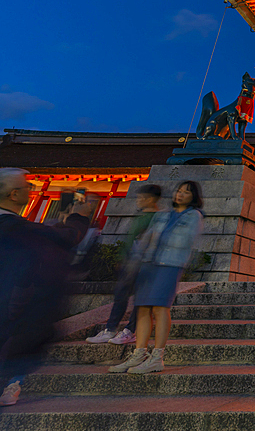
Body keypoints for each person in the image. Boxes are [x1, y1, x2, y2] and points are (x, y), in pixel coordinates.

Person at [0, 168, 81, 406]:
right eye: (28, 187)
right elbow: (64, 238)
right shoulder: (19, 229)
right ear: (14, 194)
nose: (31, 189)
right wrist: (78, 218)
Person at [109, 181, 203, 375]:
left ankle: (157, 356)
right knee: (142, 307)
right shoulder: (162, 215)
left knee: (160, 308)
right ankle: (139, 353)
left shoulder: (194, 216)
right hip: (149, 262)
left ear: (194, 197)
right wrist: (135, 260)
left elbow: (184, 240)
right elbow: (147, 238)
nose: (180, 194)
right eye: (179, 190)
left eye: (186, 192)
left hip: (170, 263)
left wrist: (157, 239)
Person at [87, 184, 162, 345]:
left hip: (144, 263)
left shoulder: (157, 218)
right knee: (121, 296)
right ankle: (110, 329)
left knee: (138, 300)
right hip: (130, 262)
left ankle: (130, 330)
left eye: (141, 198)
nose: (138, 201)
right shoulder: (142, 216)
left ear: (150, 199)